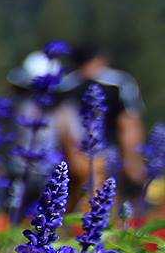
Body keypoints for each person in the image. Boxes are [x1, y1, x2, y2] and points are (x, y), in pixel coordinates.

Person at [57, 44, 147, 195]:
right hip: (87, 152)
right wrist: (133, 160)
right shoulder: (119, 81)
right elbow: (130, 122)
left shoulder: (67, 83)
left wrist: (132, 159)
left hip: (95, 152)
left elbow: (128, 122)